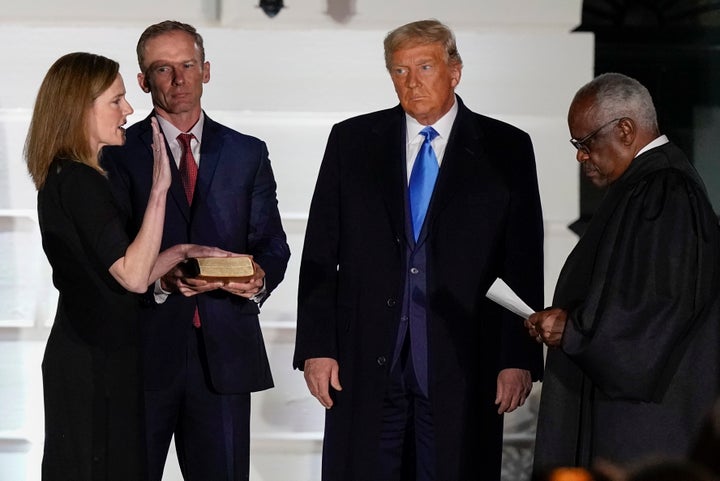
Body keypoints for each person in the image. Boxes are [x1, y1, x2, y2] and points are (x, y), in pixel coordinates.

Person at [293, 19, 545, 481]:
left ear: (455, 71)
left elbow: (522, 260)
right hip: (364, 359)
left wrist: (517, 357)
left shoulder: (506, 147)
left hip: (465, 361)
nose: (411, 81)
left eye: (424, 66)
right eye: (399, 70)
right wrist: (316, 348)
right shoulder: (351, 142)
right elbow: (319, 253)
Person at [102, 20, 290, 481]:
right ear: (144, 81)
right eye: (163, 69)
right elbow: (107, 255)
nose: (178, 79)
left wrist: (258, 278)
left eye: (187, 65)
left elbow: (272, 243)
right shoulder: (115, 154)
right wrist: (163, 280)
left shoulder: (248, 152)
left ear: (206, 70)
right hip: (141, 355)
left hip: (225, 354)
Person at [26, 52, 228, 481]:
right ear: (81, 108)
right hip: (94, 362)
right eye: (116, 100)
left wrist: (182, 251)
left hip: (97, 354)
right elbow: (132, 276)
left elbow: (109, 272)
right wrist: (160, 188)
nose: (129, 110)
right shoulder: (79, 180)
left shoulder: (70, 176)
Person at [526, 73, 720, 473]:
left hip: (644, 424)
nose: (581, 156)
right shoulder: (646, 188)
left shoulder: (665, 191)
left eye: (585, 142)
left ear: (626, 130)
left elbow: (655, 311)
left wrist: (575, 331)